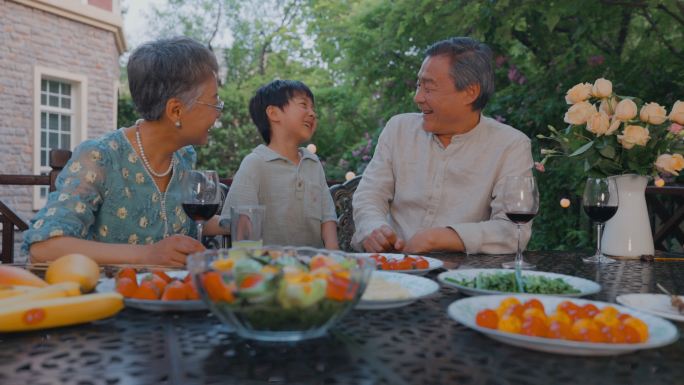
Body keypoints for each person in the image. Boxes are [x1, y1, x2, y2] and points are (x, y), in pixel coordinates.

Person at [24, 36, 225, 266]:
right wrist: (147, 255)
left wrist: (235, 222)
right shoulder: (100, 157)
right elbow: (42, 248)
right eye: (214, 102)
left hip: (171, 297)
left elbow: (174, 220)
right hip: (109, 297)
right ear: (176, 110)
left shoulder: (182, 157)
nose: (219, 112)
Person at [351, 37, 533, 254]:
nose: (417, 97)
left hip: (463, 276)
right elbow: (370, 195)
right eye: (419, 85)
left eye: (428, 88)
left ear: (470, 92)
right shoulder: (398, 129)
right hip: (392, 267)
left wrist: (440, 238)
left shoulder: (511, 145)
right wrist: (374, 228)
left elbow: (513, 231)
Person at [222, 80, 338, 249]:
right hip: (269, 269)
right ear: (274, 113)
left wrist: (333, 257)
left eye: (313, 109)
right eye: (303, 105)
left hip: (313, 269)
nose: (312, 113)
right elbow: (241, 225)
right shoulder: (255, 163)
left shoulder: (313, 163)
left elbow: (328, 217)